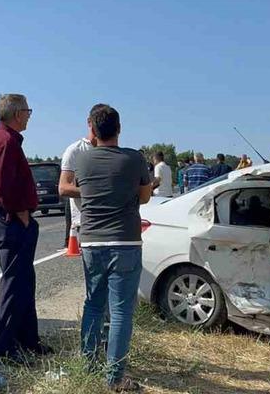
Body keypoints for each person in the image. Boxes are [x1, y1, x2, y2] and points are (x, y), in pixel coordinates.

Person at [72, 104, 152, 391]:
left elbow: (79, 189)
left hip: (92, 241)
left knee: (93, 304)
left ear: (93, 130)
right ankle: (115, 378)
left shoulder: (82, 160)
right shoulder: (134, 158)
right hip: (125, 241)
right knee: (120, 312)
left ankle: (88, 363)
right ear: (119, 129)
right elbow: (145, 197)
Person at [0, 93, 51, 364]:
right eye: (28, 111)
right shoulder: (5, 141)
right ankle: (4, 350)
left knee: (24, 281)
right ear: (18, 113)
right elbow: (3, 183)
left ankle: (28, 340)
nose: (29, 116)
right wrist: (20, 213)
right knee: (14, 284)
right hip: (10, 219)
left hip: (3, 218)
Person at [58, 105, 101, 248]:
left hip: (108, 221)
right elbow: (63, 188)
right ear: (89, 122)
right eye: (97, 121)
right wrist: (93, 192)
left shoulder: (111, 150)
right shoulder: (75, 150)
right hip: (85, 222)